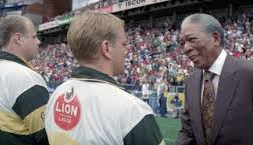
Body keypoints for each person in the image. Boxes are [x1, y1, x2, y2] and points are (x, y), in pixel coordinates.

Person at [44, 12, 165, 145]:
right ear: (106, 48)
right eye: (124, 44)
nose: (126, 51)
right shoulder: (132, 110)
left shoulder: (56, 94)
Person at [176, 13, 253, 145]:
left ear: (215, 38)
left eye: (192, 40)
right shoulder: (191, 82)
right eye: (182, 43)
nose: (186, 48)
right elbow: (188, 131)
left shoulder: (252, 75)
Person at [0, 15, 49, 145]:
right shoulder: (26, 78)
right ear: (18, 38)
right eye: (34, 37)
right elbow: (45, 136)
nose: (38, 42)